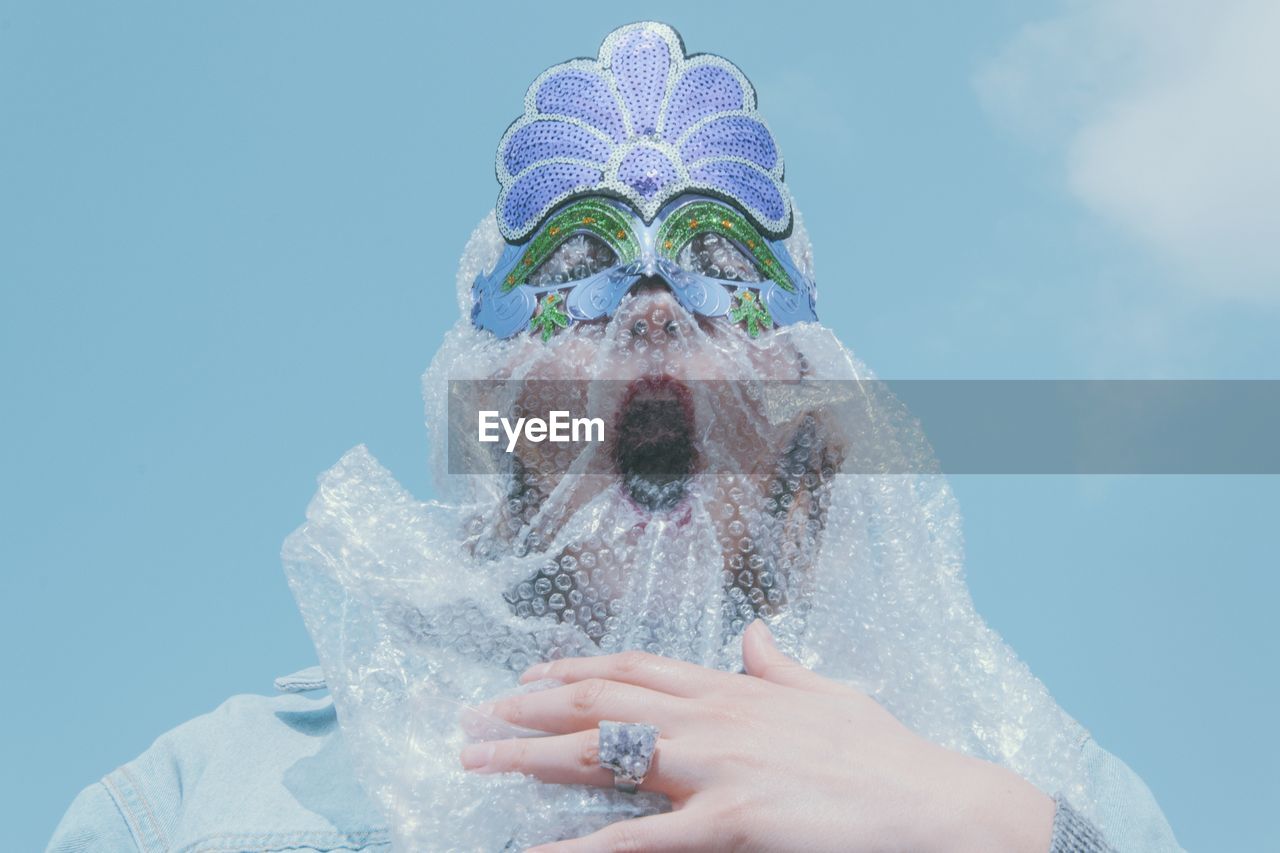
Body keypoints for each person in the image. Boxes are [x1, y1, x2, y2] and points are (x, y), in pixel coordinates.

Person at [49, 22, 1182, 852]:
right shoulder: (215, 793)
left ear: (813, 431)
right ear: (498, 416)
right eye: (578, 270)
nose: (651, 308)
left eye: (725, 269)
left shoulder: (1025, 784)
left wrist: (991, 830)